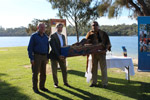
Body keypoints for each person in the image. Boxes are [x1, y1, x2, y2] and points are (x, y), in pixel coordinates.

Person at [85, 21, 111, 88]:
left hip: (102, 54)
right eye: (93, 25)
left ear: (98, 26)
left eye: (96, 25)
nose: (94, 26)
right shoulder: (89, 34)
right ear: (91, 26)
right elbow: (86, 43)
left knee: (103, 69)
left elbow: (108, 43)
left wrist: (105, 50)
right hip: (93, 54)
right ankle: (94, 82)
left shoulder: (103, 33)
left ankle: (104, 83)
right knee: (93, 69)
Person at [27, 22, 49, 93]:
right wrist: (31, 58)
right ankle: (35, 88)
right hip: (36, 56)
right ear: (38, 28)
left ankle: (42, 87)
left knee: (43, 73)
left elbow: (47, 47)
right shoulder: (34, 36)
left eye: (44, 27)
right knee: (35, 73)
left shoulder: (46, 37)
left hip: (44, 56)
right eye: (41, 27)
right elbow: (30, 48)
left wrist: (47, 58)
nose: (43, 29)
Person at [49, 23, 70, 88]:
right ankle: (56, 83)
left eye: (61, 27)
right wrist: (58, 55)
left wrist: (64, 55)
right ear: (56, 28)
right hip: (54, 55)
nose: (60, 29)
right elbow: (53, 47)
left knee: (64, 70)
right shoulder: (52, 36)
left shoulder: (63, 36)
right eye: (59, 27)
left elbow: (64, 45)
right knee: (54, 71)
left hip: (62, 55)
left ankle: (65, 82)